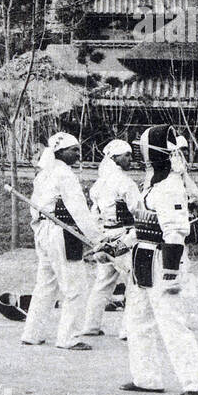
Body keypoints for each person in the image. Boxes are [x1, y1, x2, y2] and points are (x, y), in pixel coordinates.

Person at [118, 125, 198, 395]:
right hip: (142, 258)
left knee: (172, 321)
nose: (140, 153)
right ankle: (146, 378)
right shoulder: (153, 183)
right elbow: (146, 224)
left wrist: (171, 274)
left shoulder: (170, 187)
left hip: (162, 260)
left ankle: (196, 384)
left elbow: (174, 232)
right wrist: (118, 243)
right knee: (137, 320)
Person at [20, 132, 104, 351]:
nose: (78, 153)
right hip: (61, 232)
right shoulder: (64, 174)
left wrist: (39, 228)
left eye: (78, 149)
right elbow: (79, 211)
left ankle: (32, 333)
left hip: (43, 231)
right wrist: (97, 239)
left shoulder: (44, 174)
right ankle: (69, 338)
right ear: (60, 152)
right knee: (75, 286)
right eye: (73, 149)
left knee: (46, 284)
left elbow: (35, 208)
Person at [81, 139, 140, 339]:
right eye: (127, 155)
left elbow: (94, 214)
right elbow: (138, 211)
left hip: (105, 237)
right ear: (115, 158)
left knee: (103, 283)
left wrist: (100, 239)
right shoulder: (126, 183)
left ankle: (90, 325)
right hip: (123, 237)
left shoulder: (99, 184)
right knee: (133, 283)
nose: (130, 158)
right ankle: (127, 330)